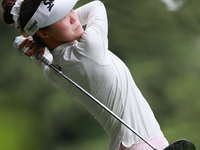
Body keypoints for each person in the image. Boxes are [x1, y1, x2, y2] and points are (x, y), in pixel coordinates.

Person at [2, 0, 169, 149]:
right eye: (62, 17)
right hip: (140, 143)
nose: (74, 18)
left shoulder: (54, 71)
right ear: (45, 33)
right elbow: (97, 5)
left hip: (138, 142)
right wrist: (36, 41)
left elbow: (41, 58)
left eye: (71, 10)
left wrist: (39, 41)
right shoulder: (89, 48)